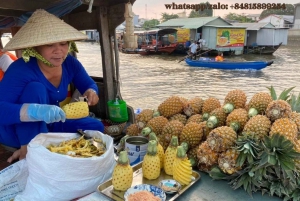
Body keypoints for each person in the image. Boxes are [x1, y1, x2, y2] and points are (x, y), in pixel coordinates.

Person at [0, 9, 105, 163]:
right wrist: (34, 111)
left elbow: (88, 83)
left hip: (47, 125)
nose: (59, 51)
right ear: (36, 47)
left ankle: (47, 142)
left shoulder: (70, 63)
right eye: (50, 45)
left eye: (63, 44)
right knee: (35, 89)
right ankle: (28, 149)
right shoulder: (21, 69)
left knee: (95, 128)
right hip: (15, 130)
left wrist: (91, 91)